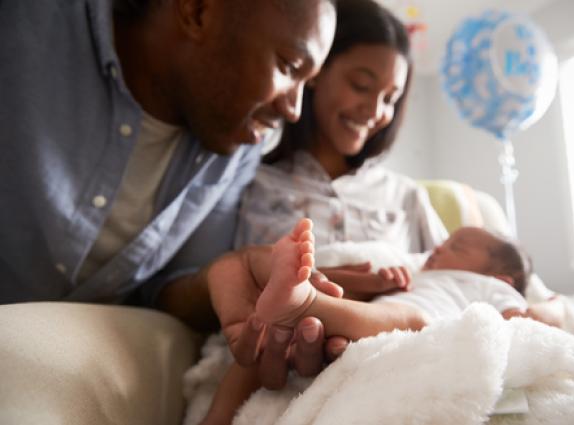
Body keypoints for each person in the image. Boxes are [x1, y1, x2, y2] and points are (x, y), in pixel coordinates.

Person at [0, 0, 341, 389]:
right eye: (289, 67)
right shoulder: (21, 24)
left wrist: (224, 275)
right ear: (196, 12)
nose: (294, 110)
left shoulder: (237, 147)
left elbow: (165, 287)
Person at [198, 219, 533, 424]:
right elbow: (372, 301)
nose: (440, 247)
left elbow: (519, 329)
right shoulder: (417, 274)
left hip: (417, 341)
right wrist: (385, 281)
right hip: (352, 340)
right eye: (443, 241)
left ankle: (303, 302)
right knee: (266, 332)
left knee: (413, 318)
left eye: (457, 246)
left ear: (501, 280)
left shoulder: (490, 289)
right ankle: (218, 416)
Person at [235, 0, 448, 291]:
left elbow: (457, 280)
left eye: (389, 99)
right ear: (315, 71)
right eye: (361, 85)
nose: (374, 111)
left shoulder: (406, 197)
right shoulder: (251, 186)